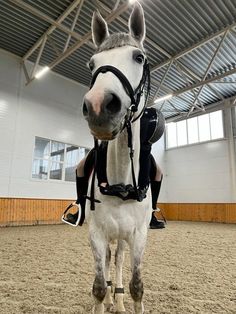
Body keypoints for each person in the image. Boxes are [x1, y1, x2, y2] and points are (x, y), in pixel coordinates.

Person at [63, 108, 165, 229]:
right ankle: (81, 208)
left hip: (138, 148)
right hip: (111, 144)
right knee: (80, 168)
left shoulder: (139, 114)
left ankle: (152, 211)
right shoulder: (122, 110)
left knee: (159, 172)